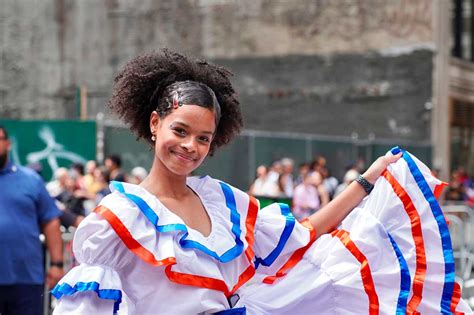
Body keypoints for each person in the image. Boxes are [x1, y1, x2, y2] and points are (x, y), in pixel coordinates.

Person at [52, 49, 471, 314]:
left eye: (203, 138)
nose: (190, 147)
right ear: (156, 123)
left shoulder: (220, 201)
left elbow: (304, 233)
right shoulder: (118, 219)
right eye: (180, 131)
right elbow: (91, 303)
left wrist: (365, 182)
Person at [0, 126, 64, 315]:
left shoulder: (31, 180)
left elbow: (51, 221)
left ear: (8, 143)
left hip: (26, 280)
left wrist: (57, 264)